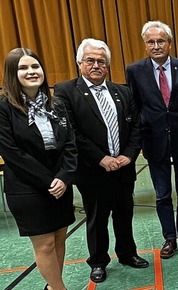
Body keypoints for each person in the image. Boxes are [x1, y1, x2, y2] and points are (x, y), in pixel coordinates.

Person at [54, 38, 148, 283]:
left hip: (123, 168)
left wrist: (128, 155)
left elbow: (136, 126)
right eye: (91, 60)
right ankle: (98, 261)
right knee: (97, 218)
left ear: (108, 66)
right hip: (92, 170)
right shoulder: (66, 91)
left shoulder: (122, 91)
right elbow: (72, 133)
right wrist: (101, 158)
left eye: (101, 62)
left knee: (124, 213)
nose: (96, 65)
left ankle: (128, 253)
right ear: (80, 63)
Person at [0, 48, 76, 290]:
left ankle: (53, 287)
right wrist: (49, 181)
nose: (31, 72)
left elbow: (70, 145)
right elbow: (12, 152)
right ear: (13, 74)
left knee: (59, 239)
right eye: (23, 68)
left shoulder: (57, 104)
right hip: (28, 188)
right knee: (44, 244)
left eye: (35, 66)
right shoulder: (4, 108)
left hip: (60, 184)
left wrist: (64, 177)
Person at [126, 20, 178, 259]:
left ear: (169, 42)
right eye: (151, 42)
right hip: (154, 140)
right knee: (162, 194)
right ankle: (169, 237)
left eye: (160, 41)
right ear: (145, 45)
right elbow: (134, 107)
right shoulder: (134, 71)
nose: (156, 45)